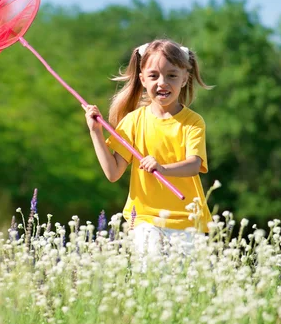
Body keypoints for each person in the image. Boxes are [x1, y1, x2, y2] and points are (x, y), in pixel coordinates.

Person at [84, 39, 213, 256]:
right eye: (154, 76)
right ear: (142, 79)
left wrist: (162, 169)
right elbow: (113, 172)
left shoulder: (193, 122)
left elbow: (194, 164)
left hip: (188, 220)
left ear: (184, 79)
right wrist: (95, 132)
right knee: (152, 276)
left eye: (172, 75)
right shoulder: (133, 121)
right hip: (145, 218)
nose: (162, 82)